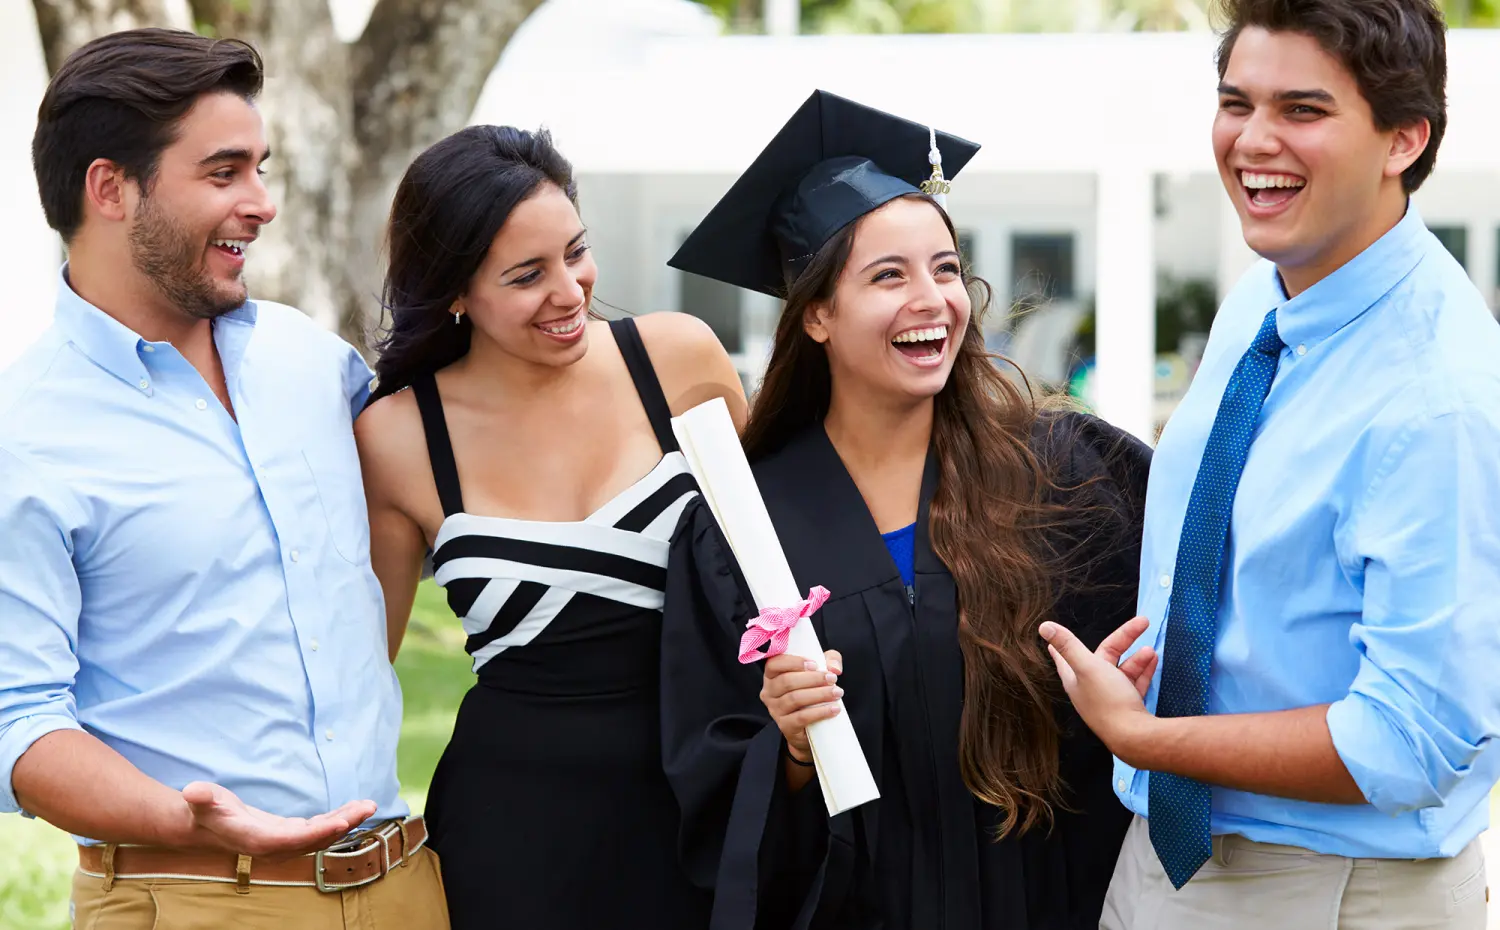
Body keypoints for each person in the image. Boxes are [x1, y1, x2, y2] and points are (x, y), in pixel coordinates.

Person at [1039, 1, 1500, 927]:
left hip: (1327, 886)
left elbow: (1412, 739)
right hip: (1165, 852)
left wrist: (1147, 736)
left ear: (1404, 138)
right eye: (1235, 102)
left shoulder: (1438, 398)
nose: (1253, 141)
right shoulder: (1263, 296)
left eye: (1302, 110)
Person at [659, 90, 1156, 930]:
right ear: (818, 314)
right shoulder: (742, 527)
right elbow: (710, 780)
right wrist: (792, 746)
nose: (933, 298)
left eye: (946, 269)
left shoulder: (1064, 471)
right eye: (889, 275)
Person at [0, 28, 444, 928]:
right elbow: (18, 718)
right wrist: (182, 816)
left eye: (261, 169)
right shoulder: (25, 435)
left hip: (405, 885)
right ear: (110, 189)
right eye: (224, 172)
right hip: (195, 897)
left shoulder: (315, 363)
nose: (261, 203)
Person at [353, 123, 746, 928]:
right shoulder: (397, 437)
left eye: (576, 251)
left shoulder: (678, 359)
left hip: (706, 802)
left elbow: (781, 565)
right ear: (455, 291)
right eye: (527, 275)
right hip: (514, 837)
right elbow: (360, 673)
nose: (570, 290)